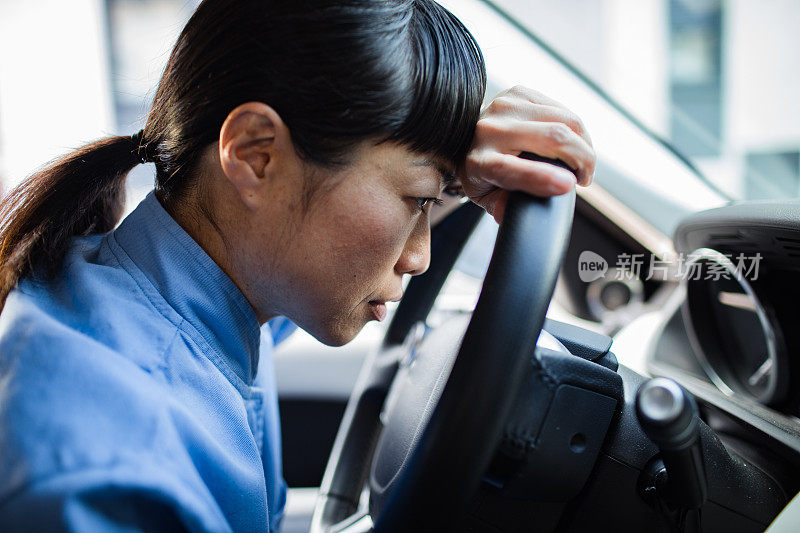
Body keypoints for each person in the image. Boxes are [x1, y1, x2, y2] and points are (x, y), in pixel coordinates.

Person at [0, 0, 595, 530]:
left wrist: (445, 166)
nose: (419, 257)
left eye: (435, 205)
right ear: (256, 156)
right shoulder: (105, 480)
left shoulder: (195, 287)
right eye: (417, 201)